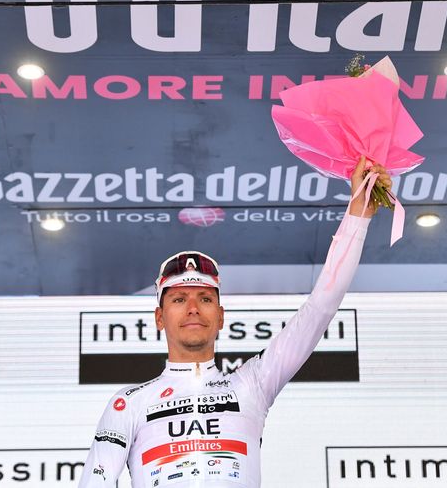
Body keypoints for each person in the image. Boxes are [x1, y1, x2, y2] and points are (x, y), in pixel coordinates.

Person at [79, 157, 391, 487]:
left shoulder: (252, 384)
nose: (193, 308)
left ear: (221, 316)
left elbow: (319, 309)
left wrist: (358, 214)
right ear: (159, 317)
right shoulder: (129, 404)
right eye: (179, 299)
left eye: (205, 298)